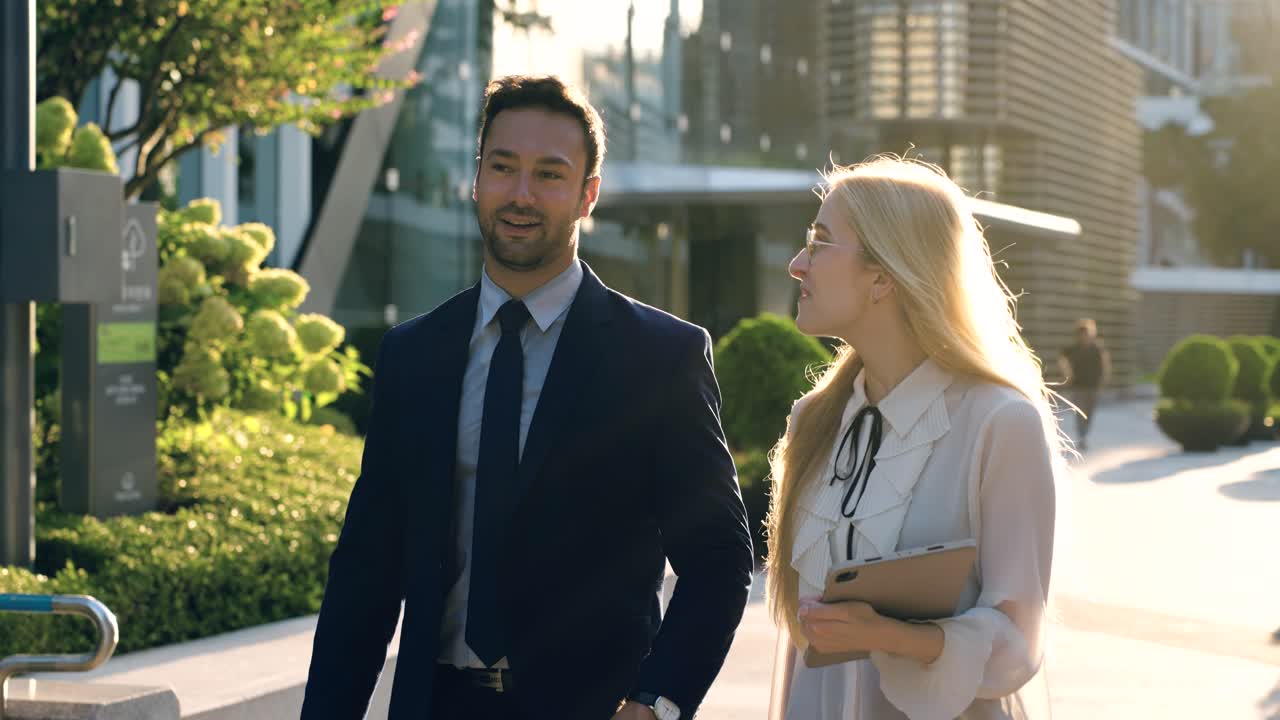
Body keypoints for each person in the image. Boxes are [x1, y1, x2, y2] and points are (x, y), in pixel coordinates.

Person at [302, 75, 753, 720]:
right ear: (477, 177)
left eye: (549, 174)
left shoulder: (659, 357)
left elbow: (717, 559)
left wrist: (656, 702)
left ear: (587, 194)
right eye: (503, 167)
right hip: (437, 705)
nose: (519, 194)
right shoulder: (414, 354)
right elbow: (366, 572)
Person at [765, 157, 1065, 720]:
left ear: (884, 276)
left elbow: (1018, 643)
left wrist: (892, 636)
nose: (797, 264)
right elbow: (800, 652)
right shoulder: (814, 420)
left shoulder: (1000, 423)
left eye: (821, 242)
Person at [1057, 318, 1109, 451]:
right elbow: (1062, 359)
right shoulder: (1073, 349)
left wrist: (1102, 381)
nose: (1084, 337)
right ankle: (1082, 437)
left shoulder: (1097, 349)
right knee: (1080, 413)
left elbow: (1104, 365)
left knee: (1089, 413)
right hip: (1078, 386)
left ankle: (1084, 434)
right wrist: (1067, 374)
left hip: (1093, 386)